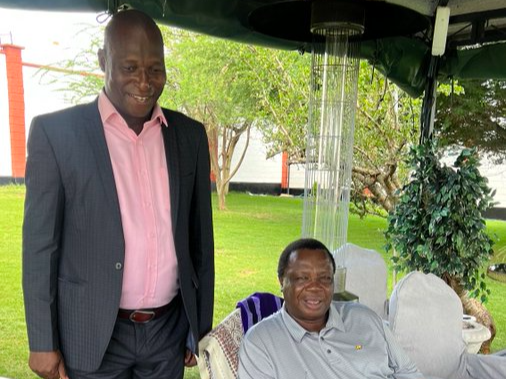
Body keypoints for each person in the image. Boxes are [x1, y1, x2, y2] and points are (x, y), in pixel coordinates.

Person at [22, 9, 214, 379]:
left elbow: (199, 241)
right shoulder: (57, 134)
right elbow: (40, 247)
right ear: (102, 61)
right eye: (129, 67)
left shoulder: (188, 137)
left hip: (166, 331)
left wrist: (198, 327)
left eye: (154, 69)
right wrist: (42, 341)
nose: (144, 82)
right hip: (92, 333)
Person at [237, 238, 424, 379]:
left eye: (325, 278)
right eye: (303, 278)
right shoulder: (260, 344)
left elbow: (408, 372)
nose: (315, 287)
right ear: (282, 281)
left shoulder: (364, 318)